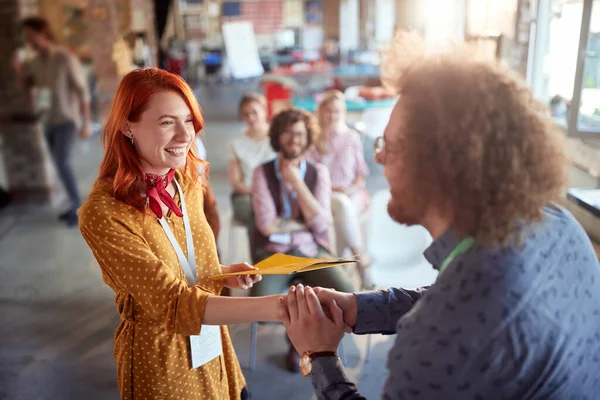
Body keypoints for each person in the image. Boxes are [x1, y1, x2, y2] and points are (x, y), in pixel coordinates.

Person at [278, 33, 600, 399]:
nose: (379, 159)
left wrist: (319, 356)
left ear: (439, 163)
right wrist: (358, 307)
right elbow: (461, 303)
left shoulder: (437, 337)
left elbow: (457, 318)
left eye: (389, 147)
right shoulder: (557, 223)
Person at [79, 68, 285, 399]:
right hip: (162, 360)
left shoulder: (187, 178)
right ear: (127, 125)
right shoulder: (105, 212)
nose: (184, 135)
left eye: (188, 120)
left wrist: (219, 274)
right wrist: (280, 307)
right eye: (166, 123)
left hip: (213, 343)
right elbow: (173, 303)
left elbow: (185, 265)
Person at [250, 108, 355, 372]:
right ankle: (295, 339)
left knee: (345, 293)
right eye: (287, 132)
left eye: (300, 133)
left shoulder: (318, 173)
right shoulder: (261, 173)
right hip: (276, 255)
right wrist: (305, 222)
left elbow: (321, 223)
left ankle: (304, 346)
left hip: (312, 252)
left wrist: (296, 182)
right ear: (277, 136)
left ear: (308, 137)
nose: (294, 138)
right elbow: (265, 224)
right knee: (262, 307)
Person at [13, 17, 91, 226]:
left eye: (30, 34)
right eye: (25, 36)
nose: (27, 39)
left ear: (42, 33)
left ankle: (78, 208)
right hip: (48, 120)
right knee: (59, 165)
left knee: (62, 163)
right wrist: (18, 69)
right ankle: (73, 205)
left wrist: (85, 123)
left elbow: (82, 91)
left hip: (67, 120)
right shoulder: (33, 62)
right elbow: (26, 84)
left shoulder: (64, 58)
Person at [306, 90, 371, 288]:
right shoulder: (313, 140)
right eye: (328, 111)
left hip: (353, 195)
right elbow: (310, 176)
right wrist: (334, 189)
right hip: (324, 196)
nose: (332, 116)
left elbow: (361, 174)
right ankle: (360, 263)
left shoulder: (352, 137)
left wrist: (350, 189)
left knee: (343, 208)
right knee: (339, 204)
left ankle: (341, 274)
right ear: (321, 112)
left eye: (336, 111)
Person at [228, 93, 276, 228]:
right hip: (248, 193)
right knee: (253, 208)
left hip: (274, 191)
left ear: (264, 110)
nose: (251, 118)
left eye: (254, 112)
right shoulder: (236, 143)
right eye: (246, 114)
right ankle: (260, 248)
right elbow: (236, 182)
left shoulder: (277, 138)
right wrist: (257, 193)